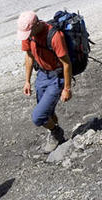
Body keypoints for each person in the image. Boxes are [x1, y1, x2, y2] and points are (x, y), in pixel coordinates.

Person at [17, 10, 72, 152]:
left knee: (38, 117)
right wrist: (27, 81)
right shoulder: (29, 35)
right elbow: (29, 57)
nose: (26, 36)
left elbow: (66, 63)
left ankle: (56, 132)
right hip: (42, 75)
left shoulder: (54, 36)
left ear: (36, 25)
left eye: (28, 32)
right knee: (48, 112)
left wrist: (67, 88)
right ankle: (57, 136)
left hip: (56, 77)